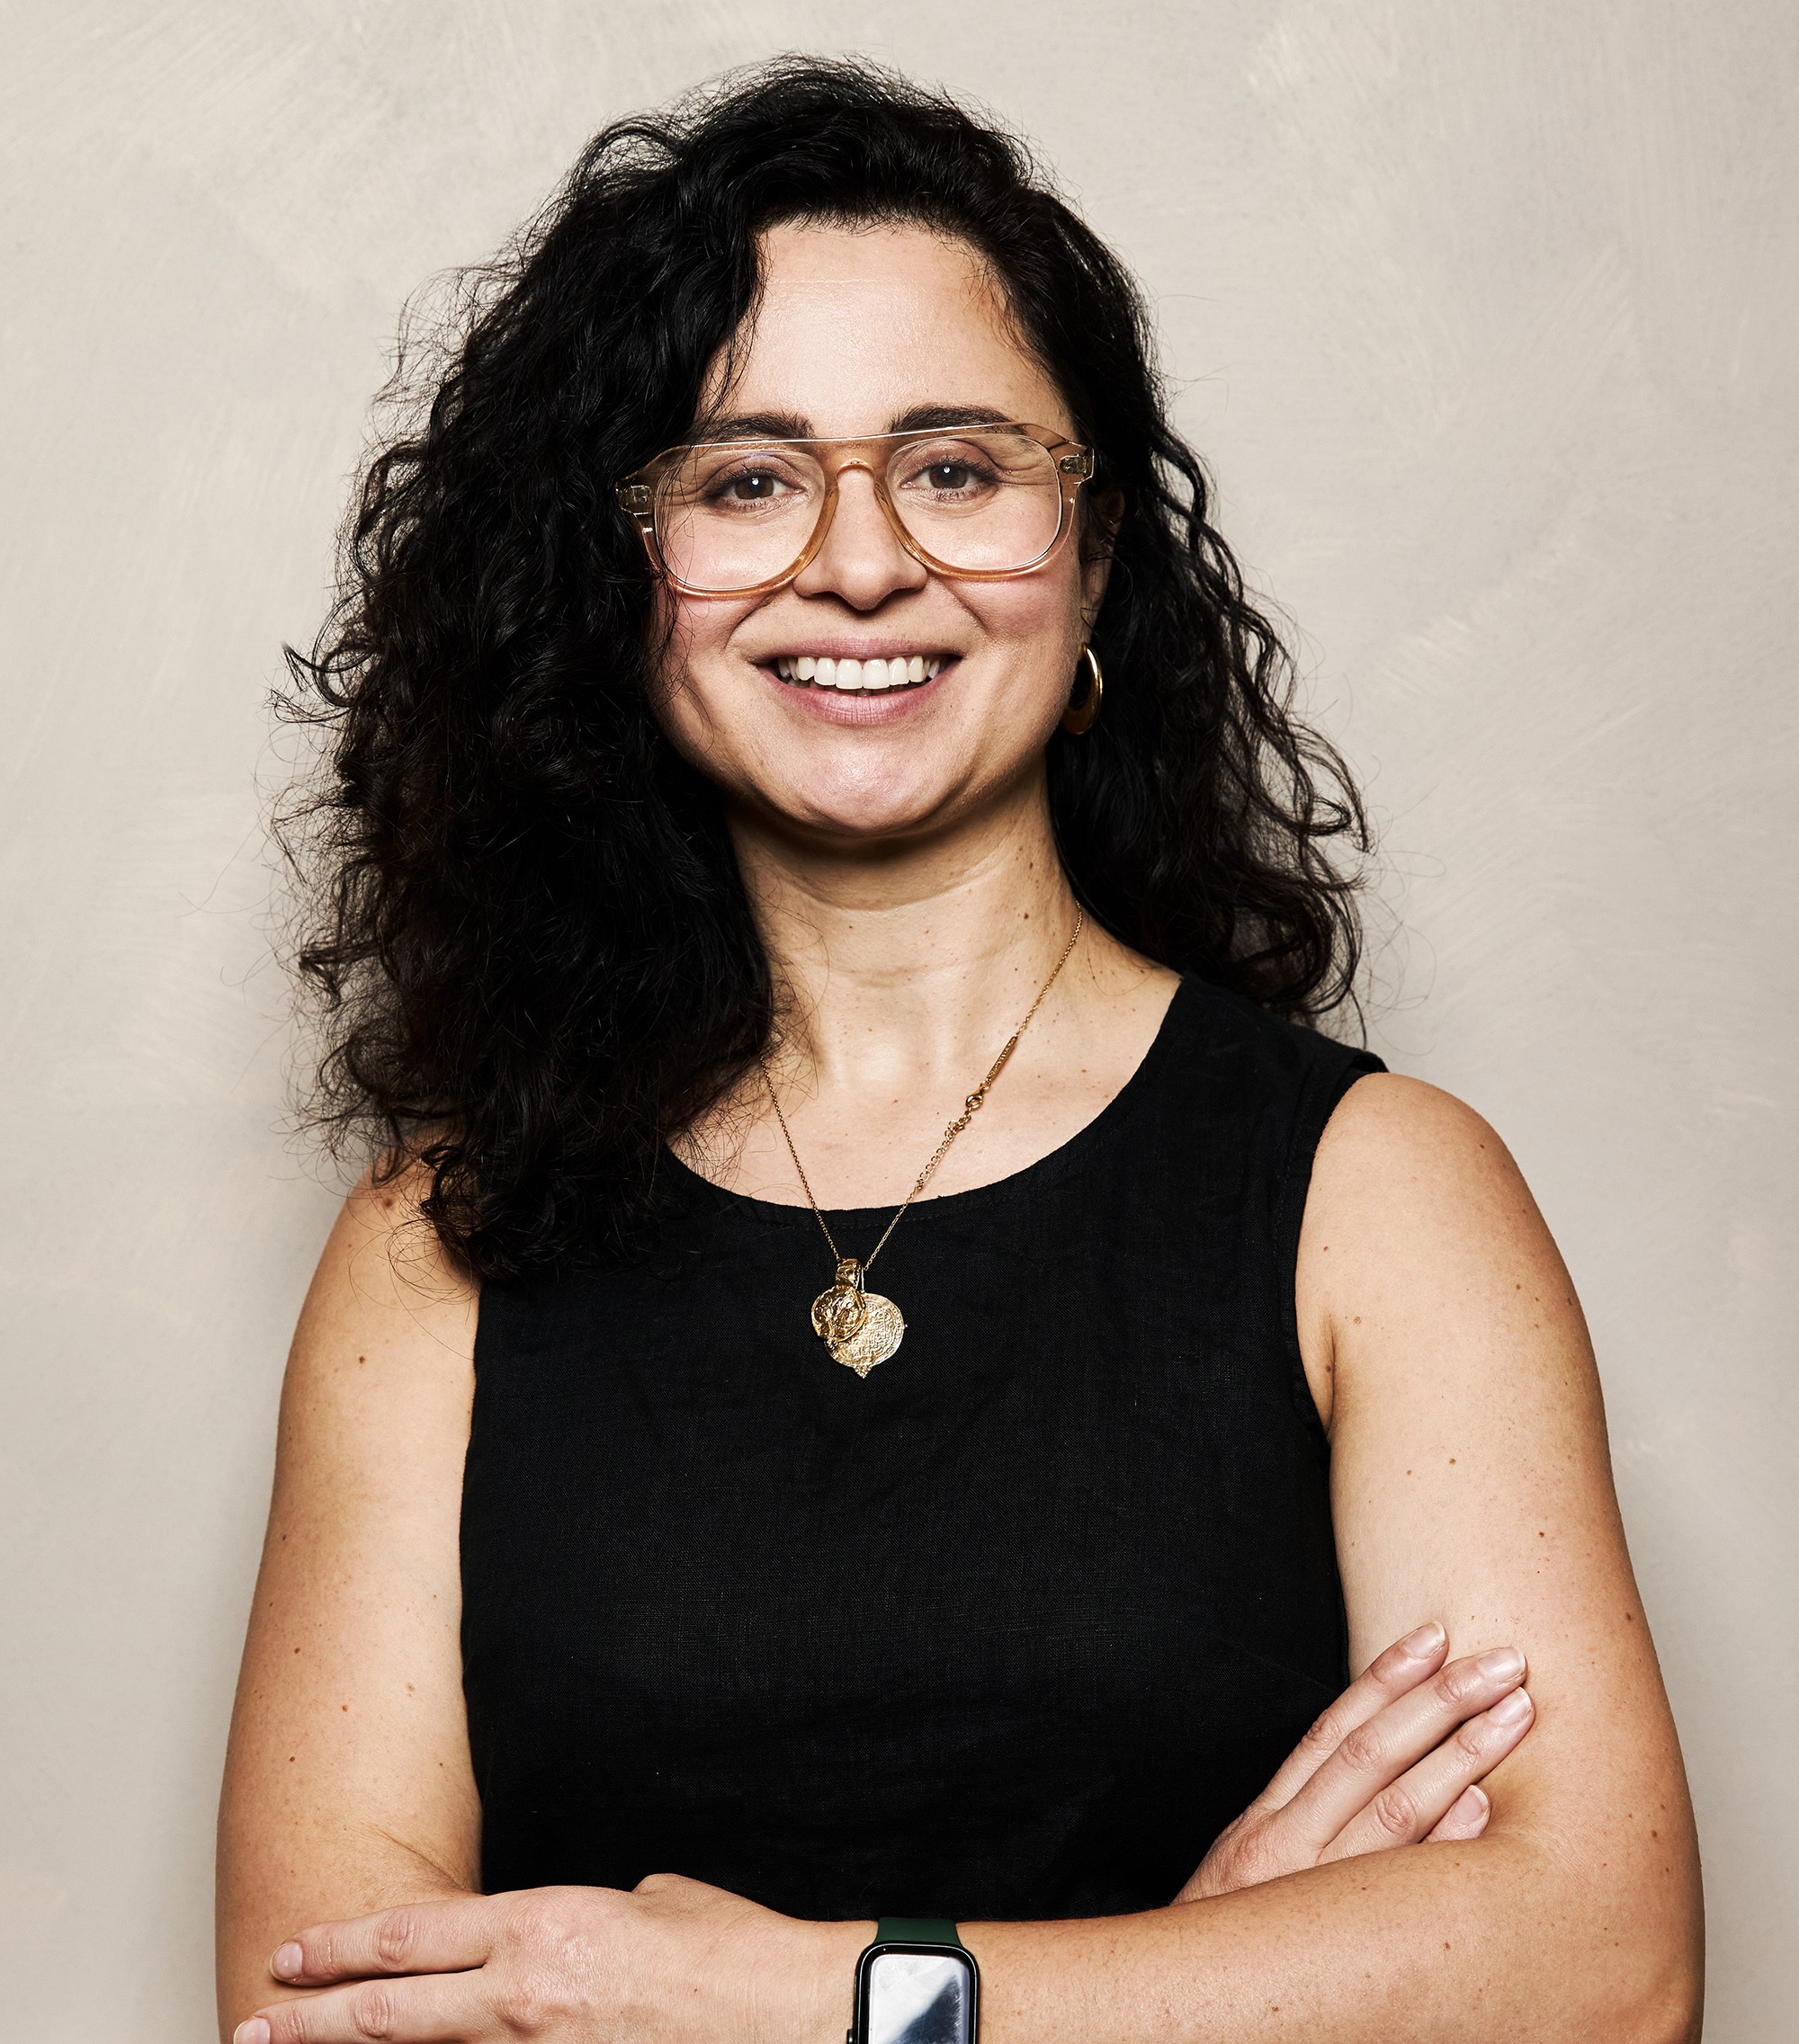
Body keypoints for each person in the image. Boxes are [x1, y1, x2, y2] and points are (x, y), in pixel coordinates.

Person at [217, 58, 1700, 2044]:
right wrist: (1199, 1974)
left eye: (957, 466)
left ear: (1093, 561)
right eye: (744, 477)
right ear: (614, 592)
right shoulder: (430, 1262)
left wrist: (814, 1998)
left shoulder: (1380, 1196)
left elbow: (1603, 1977)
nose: (857, 561)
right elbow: (315, 2024)